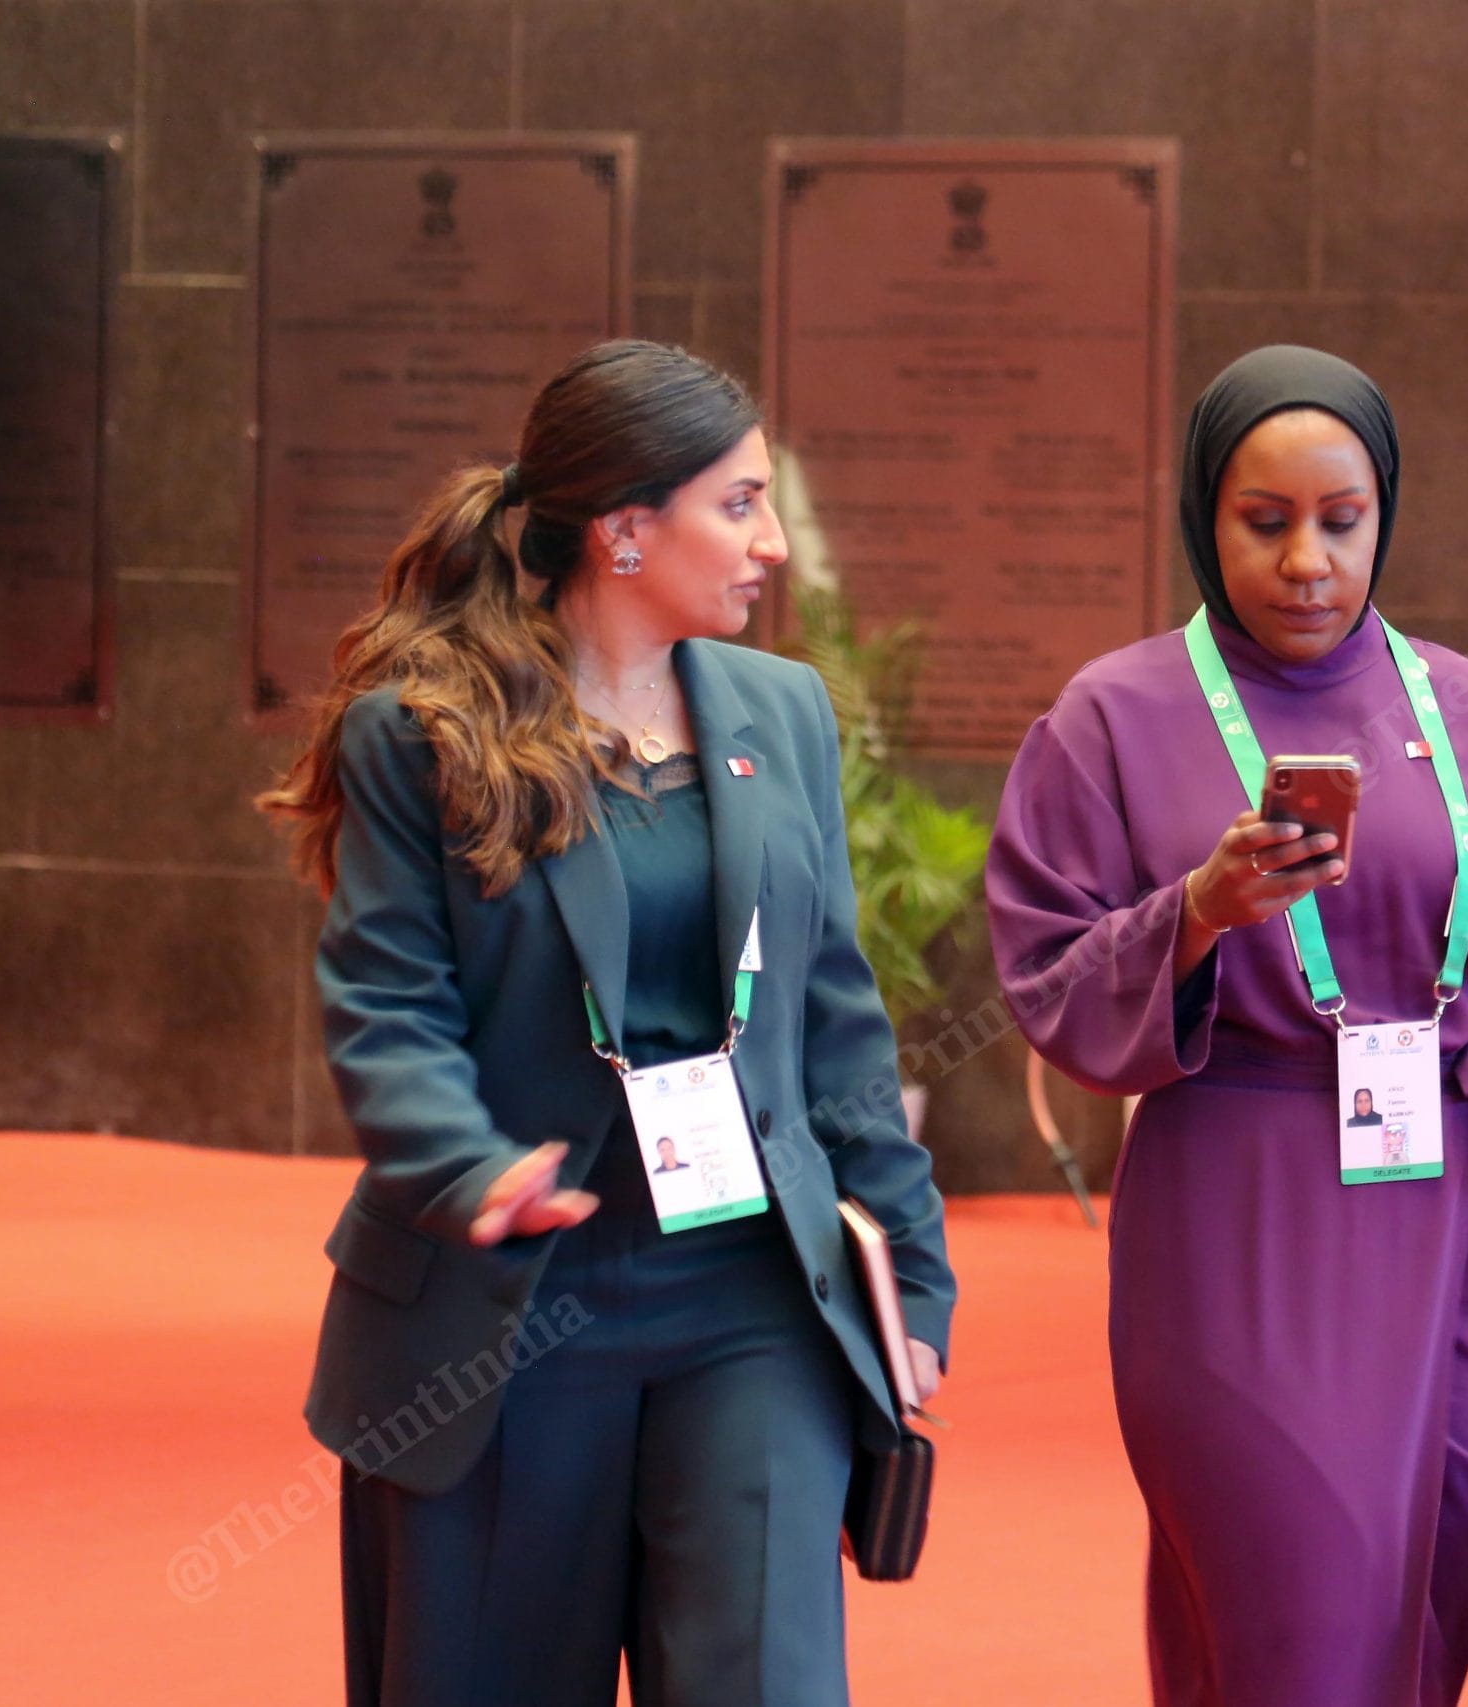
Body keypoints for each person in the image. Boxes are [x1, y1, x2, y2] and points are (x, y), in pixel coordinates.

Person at [260, 339, 955, 1707]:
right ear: (628, 529)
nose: (771, 543)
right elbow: (387, 1004)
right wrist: (469, 1168)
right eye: (738, 505)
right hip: (512, 1305)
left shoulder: (784, 713)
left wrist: (912, 1276)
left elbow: (834, 1014)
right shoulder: (426, 731)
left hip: (752, 1297)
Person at [985, 345, 1468, 1706]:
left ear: (1384, 519)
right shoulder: (1111, 718)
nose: (1307, 560)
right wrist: (1196, 911)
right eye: (1265, 523)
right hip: (1238, 1229)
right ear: (1204, 518)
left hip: (1453, 1223)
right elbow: (1048, 975)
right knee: (1293, 1632)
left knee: (1423, 1630)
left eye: (1341, 522)